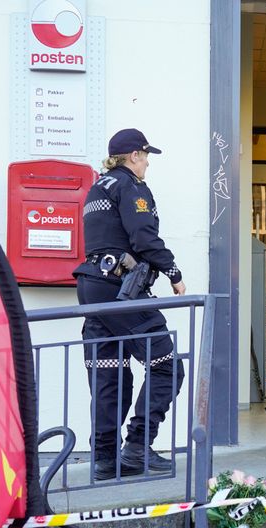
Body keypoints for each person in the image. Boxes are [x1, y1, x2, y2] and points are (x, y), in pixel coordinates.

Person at [73, 128, 186, 480]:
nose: (148, 163)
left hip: (92, 288)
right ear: (134, 155)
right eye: (146, 156)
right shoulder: (131, 187)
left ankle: (105, 458)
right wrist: (173, 271)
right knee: (167, 365)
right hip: (121, 290)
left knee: (111, 372)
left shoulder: (97, 188)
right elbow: (142, 236)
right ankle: (138, 446)